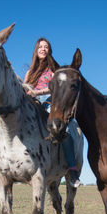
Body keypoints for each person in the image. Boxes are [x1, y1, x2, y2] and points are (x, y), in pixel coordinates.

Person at [24, 38, 81, 188]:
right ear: (36, 50)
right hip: (32, 102)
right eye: (40, 47)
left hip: (50, 101)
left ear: (49, 51)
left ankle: (72, 169)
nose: (43, 49)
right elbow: (25, 89)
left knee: (66, 129)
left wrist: (38, 92)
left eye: (46, 47)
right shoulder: (30, 71)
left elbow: (59, 87)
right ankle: (4, 163)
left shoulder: (54, 70)